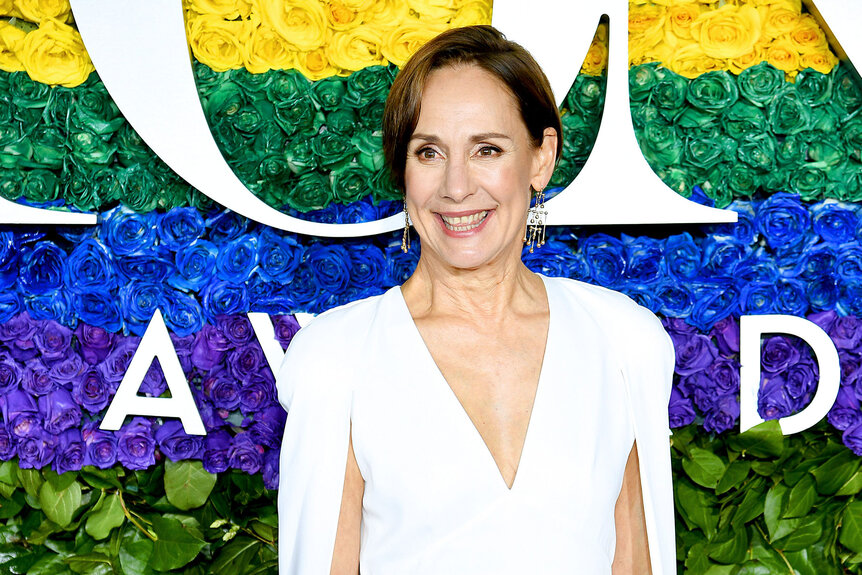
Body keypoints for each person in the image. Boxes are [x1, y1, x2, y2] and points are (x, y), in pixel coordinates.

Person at [276, 25, 676, 575]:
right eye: (429, 153)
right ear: (403, 171)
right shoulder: (336, 359)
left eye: (486, 149)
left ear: (541, 158)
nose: (457, 186)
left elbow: (636, 563)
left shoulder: (623, 340)